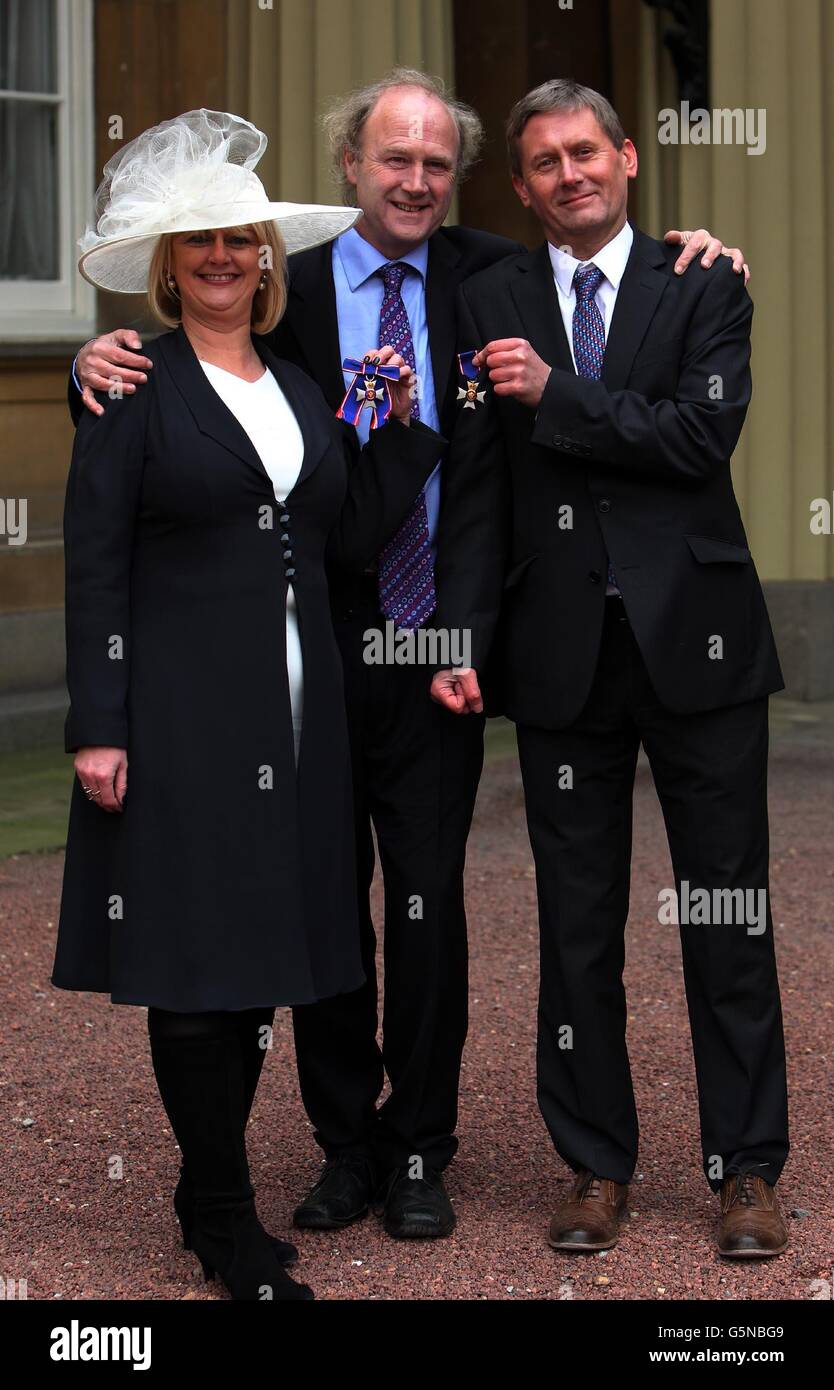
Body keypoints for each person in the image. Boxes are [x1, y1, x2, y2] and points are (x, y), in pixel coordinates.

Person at [66, 70, 749, 1242]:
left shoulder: (498, 275)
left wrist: (698, 244)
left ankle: (423, 1143)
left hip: (444, 646)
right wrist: (92, 364)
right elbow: (203, 375)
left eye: (438, 163)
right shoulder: (292, 286)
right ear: (350, 165)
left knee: (430, 911)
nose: (417, 181)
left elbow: (596, 294)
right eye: (395, 159)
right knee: (328, 903)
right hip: (312, 654)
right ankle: (348, 1145)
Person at [51, 108, 445, 1301]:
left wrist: (400, 429)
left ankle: (201, 1183)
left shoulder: (303, 386)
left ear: (265, 258)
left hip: (300, 717)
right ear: (170, 268)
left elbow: (349, 541)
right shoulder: (130, 385)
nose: (222, 256)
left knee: (270, 956)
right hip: (178, 717)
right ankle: (223, 1217)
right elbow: (94, 560)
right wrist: (99, 722)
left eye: (239, 239)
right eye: (199, 243)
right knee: (195, 962)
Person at [433, 80, 789, 1259]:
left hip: (703, 645)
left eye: (585, 151)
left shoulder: (706, 280)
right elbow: (479, 489)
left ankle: (745, 1169)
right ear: (523, 184)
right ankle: (592, 1162)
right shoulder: (487, 294)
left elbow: (698, 439)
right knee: (575, 924)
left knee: (724, 912)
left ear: (628, 158)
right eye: (542, 162)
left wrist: (562, 396)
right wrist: (461, 636)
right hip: (559, 659)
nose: (567, 174)